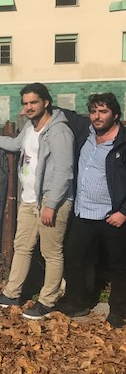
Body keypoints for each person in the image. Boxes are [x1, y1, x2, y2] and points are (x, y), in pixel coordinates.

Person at [0, 83, 74, 320]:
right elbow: (15, 145)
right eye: (26, 103)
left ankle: (47, 301)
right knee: (22, 247)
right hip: (29, 200)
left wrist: (51, 204)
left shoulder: (59, 132)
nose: (29, 107)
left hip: (52, 201)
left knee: (51, 252)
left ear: (46, 103)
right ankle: (12, 293)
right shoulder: (30, 128)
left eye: (34, 102)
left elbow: (65, 171)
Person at [56, 93, 126, 328]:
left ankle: (118, 310)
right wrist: (41, 104)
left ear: (115, 115)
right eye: (94, 111)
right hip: (83, 213)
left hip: (112, 216)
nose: (97, 116)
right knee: (73, 257)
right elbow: (66, 113)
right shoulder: (86, 131)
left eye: (103, 111)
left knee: (118, 265)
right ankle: (78, 302)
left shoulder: (123, 143)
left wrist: (124, 211)